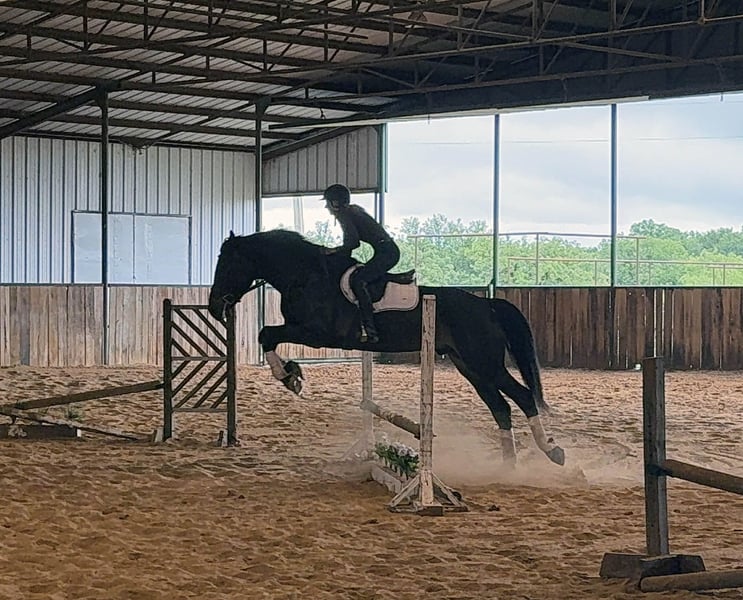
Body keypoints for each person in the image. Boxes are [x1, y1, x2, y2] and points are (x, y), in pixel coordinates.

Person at [321, 183, 400, 344]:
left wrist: (332, 251)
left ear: (335, 203)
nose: (326, 206)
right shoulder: (352, 211)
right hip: (386, 251)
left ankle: (369, 329)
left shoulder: (345, 215)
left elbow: (352, 243)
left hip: (387, 253)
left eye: (328, 202)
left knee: (359, 281)